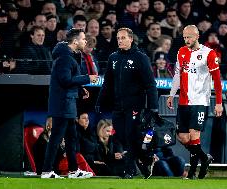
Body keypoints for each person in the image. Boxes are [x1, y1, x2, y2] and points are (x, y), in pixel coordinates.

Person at [96, 27, 159, 178]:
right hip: (118, 106)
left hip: (135, 105)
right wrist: (99, 102)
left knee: (131, 136)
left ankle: (130, 170)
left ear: (131, 39)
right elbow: (107, 83)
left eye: (123, 38)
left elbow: (150, 85)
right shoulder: (113, 58)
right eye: (118, 38)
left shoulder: (140, 58)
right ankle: (145, 159)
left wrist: (154, 108)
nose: (120, 41)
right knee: (120, 136)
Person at [40, 28, 99, 179]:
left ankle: (74, 170)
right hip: (62, 105)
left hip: (69, 104)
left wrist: (80, 89)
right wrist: (87, 78)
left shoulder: (70, 56)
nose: (85, 41)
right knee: (56, 138)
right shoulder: (65, 58)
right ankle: (47, 171)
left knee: (72, 138)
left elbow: (69, 80)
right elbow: (65, 81)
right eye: (83, 39)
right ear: (75, 41)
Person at [166, 25, 223, 179]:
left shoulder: (208, 53)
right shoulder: (181, 52)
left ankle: (191, 173)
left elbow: (217, 80)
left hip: (200, 101)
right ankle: (205, 158)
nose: (186, 40)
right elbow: (177, 75)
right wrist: (171, 94)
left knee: (193, 135)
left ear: (197, 36)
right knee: (183, 138)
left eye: (189, 37)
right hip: (183, 101)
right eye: (184, 37)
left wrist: (218, 102)